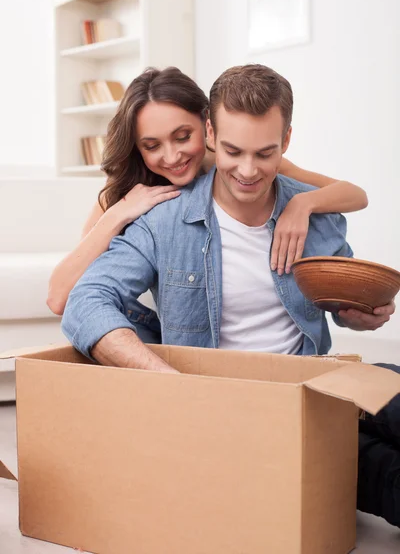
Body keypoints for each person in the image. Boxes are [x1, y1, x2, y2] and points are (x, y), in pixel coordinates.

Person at [61, 64, 398, 528]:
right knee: (386, 473)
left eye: (266, 153)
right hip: (242, 418)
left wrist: (362, 314)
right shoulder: (161, 218)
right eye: (235, 151)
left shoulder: (317, 215)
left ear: (287, 140)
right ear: (213, 133)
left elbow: (341, 311)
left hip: (323, 388)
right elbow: (82, 302)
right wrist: (171, 384)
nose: (247, 170)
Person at [47, 67, 368, 317]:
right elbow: (60, 297)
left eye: (183, 136)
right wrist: (120, 211)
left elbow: (355, 195)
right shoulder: (127, 186)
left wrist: (303, 203)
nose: (172, 157)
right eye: (152, 145)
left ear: (208, 126)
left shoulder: (244, 163)